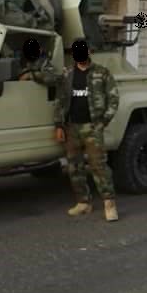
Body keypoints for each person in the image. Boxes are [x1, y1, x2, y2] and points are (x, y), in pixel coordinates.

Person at [54, 38, 119, 221]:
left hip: (92, 127)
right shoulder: (67, 74)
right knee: (74, 167)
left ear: (89, 52)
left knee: (98, 165)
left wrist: (103, 121)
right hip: (72, 127)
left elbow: (113, 99)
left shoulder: (102, 73)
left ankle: (109, 203)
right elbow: (60, 101)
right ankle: (83, 202)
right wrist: (59, 125)